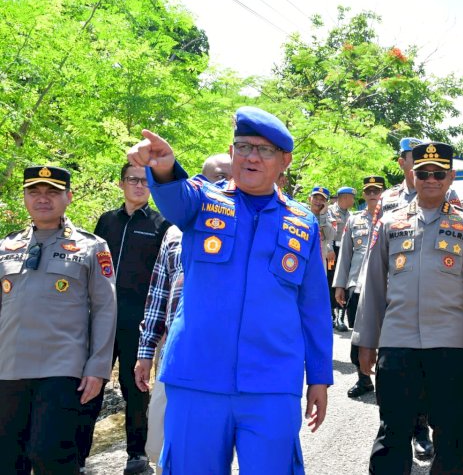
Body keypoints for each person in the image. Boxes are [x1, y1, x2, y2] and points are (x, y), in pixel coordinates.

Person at [127, 105, 333, 474]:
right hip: (197, 376)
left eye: (265, 150)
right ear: (231, 150)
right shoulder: (201, 200)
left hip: (271, 383)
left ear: (284, 161)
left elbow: (313, 306)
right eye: (244, 146)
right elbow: (173, 197)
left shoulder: (303, 222)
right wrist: (164, 168)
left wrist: (318, 376)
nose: (252, 157)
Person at [354, 142, 463, 474]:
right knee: (393, 430)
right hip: (398, 343)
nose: (431, 180)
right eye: (423, 174)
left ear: (450, 177)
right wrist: (366, 341)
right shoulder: (389, 222)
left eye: (438, 174)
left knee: (452, 432)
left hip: (449, 345)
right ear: (412, 175)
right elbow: (373, 284)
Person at [0, 166, 117, 474]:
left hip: (63, 368)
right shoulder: (5, 247)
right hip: (8, 368)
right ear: (24, 197)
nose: (43, 199)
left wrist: (98, 367)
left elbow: (105, 308)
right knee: (7, 460)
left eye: (52, 192)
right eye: (34, 192)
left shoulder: (92, 247)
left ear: (69, 197)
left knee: (50, 455)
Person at [134, 154, 232, 473]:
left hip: (224, 351)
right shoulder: (174, 231)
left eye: (231, 177)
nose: (225, 183)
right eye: (219, 176)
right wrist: (146, 351)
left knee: (211, 443)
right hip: (175, 350)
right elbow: (158, 294)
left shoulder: (245, 229)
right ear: (199, 182)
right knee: (164, 441)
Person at [77, 163, 170, 474]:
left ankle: (136, 455)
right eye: (133, 179)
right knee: (89, 385)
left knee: (136, 388)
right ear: (121, 184)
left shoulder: (161, 224)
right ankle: (78, 457)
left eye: (145, 181)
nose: (139, 185)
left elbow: (164, 278)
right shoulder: (107, 221)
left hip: (138, 321)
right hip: (99, 318)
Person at [332, 176, 385, 399]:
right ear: (363, 194)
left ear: (383, 193)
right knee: (358, 336)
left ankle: (386, 381)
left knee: (387, 337)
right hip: (357, 285)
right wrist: (340, 285)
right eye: (369, 191)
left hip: (385, 286)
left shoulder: (393, 219)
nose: (372, 194)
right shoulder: (354, 220)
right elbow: (345, 254)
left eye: (376, 190)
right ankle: (363, 380)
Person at [330, 186, 356, 331]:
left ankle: (340, 317)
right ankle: (332, 315)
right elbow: (326, 232)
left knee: (344, 282)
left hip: (346, 251)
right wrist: (329, 249)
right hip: (332, 252)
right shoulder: (329, 211)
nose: (354, 200)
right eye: (352, 197)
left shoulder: (351, 215)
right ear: (345, 197)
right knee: (332, 281)